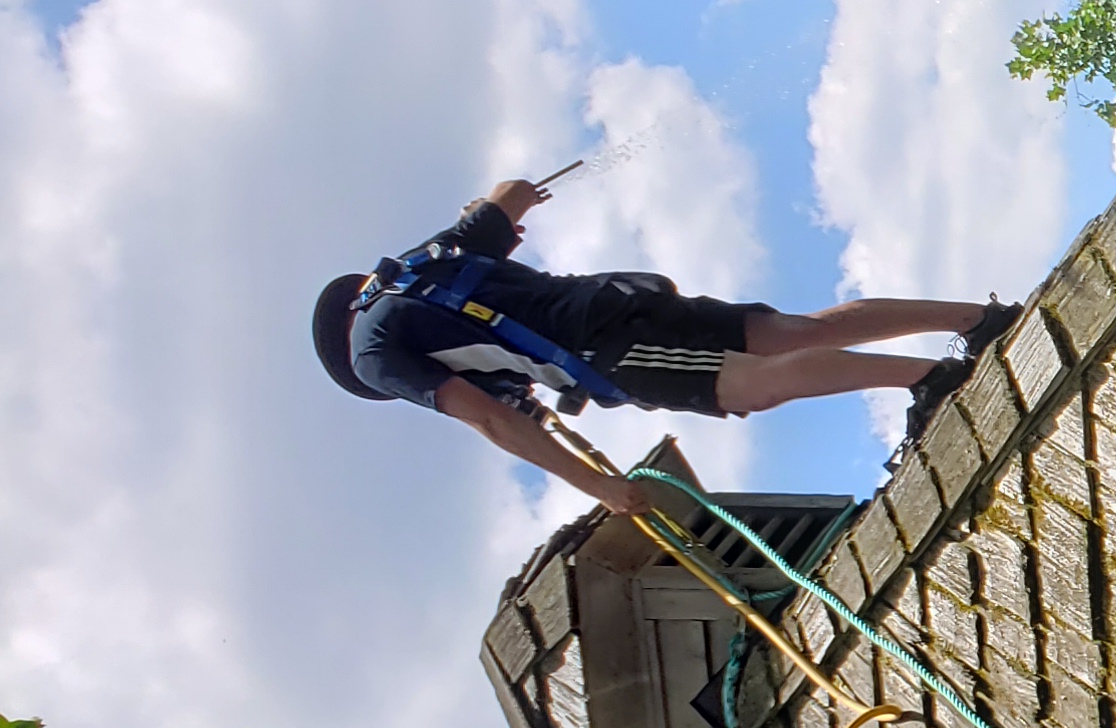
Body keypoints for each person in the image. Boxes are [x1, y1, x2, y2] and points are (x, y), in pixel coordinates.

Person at [312, 177, 1016, 517]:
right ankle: (981, 322)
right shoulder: (417, 263)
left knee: (750, 385)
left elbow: (486, 416)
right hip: (617, 297)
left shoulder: (374, 353)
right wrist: (501, 204)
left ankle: (932, 379)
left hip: (598, 348)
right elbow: (510, 198)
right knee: (796, 332)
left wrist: (601, 489)